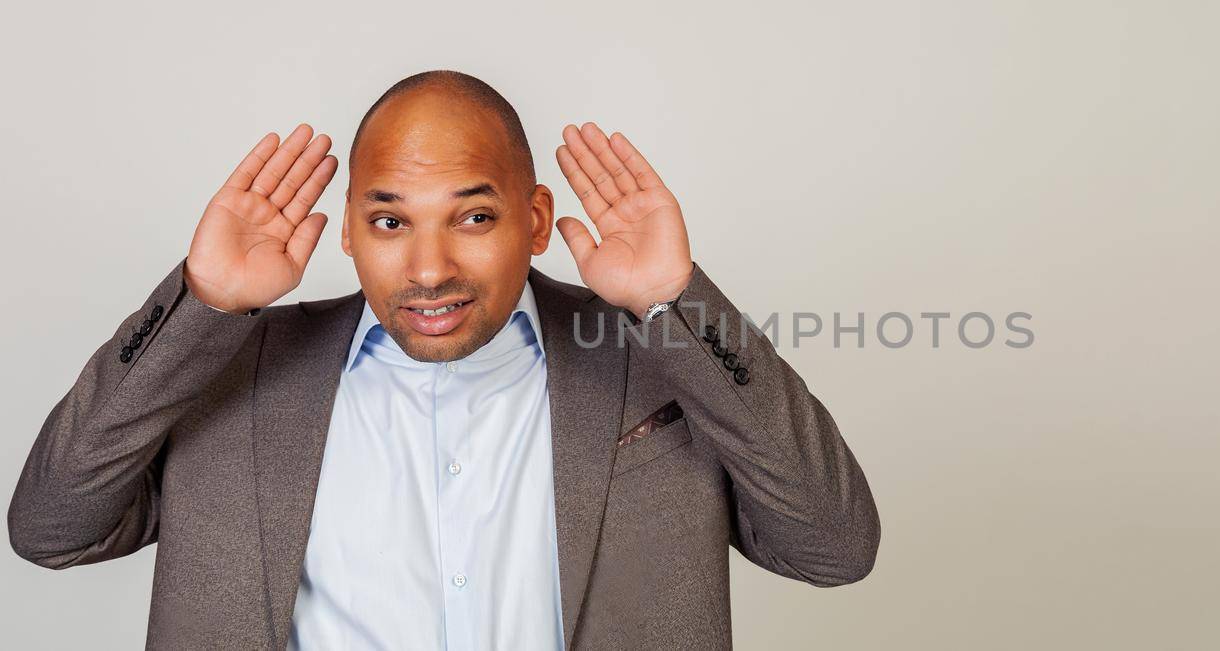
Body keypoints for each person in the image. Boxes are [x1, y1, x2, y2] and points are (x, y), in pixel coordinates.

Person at [7, 70, 880, 650]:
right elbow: (52, 528)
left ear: (535, 220)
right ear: (347, 228)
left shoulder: (655, 356)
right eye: (390, 221)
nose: (428, 268)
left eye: (473, 217)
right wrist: (202, 301)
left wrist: (673, 301)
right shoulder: (230, 363)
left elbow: (834, 547)